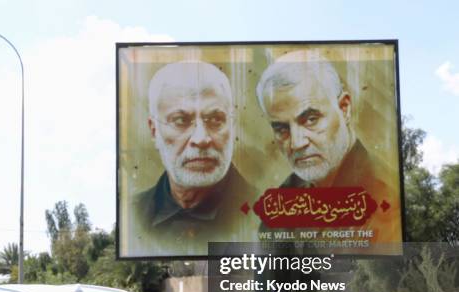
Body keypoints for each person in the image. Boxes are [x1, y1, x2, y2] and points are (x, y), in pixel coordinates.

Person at [255, 50, 401, 245]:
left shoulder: (386, 204)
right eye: (281, 129)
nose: (297, 143)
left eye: (311, 120)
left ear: (344, 108)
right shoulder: (283, 200)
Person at [131, 61, 260, 254]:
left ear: (232, 126)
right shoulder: (133, 216)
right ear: (153, 130)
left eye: (216, 120)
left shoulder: (263, 213)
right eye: (181, 121)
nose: (201, 139)